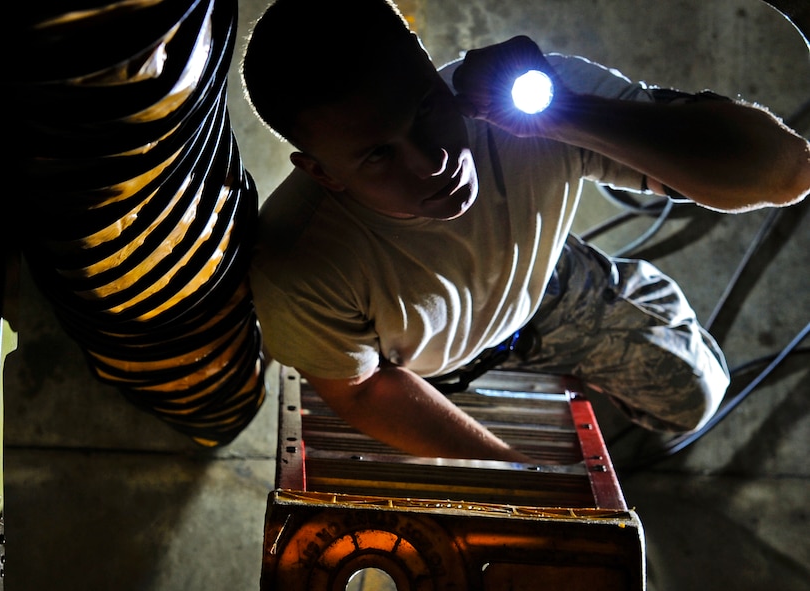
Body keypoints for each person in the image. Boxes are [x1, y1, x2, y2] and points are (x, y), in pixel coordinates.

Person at [241, 0, 810, 463]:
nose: (432, 160)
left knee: (695, 395)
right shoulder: (297, 262)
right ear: (320, 172)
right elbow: (362, 391)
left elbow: (784, 172)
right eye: (378, 156)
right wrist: (518, 470)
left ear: (428, 62)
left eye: (426, 109)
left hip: (544, 289)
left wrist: (563, 114)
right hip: (419, 365)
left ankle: (617, 289)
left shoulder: (528, 101)